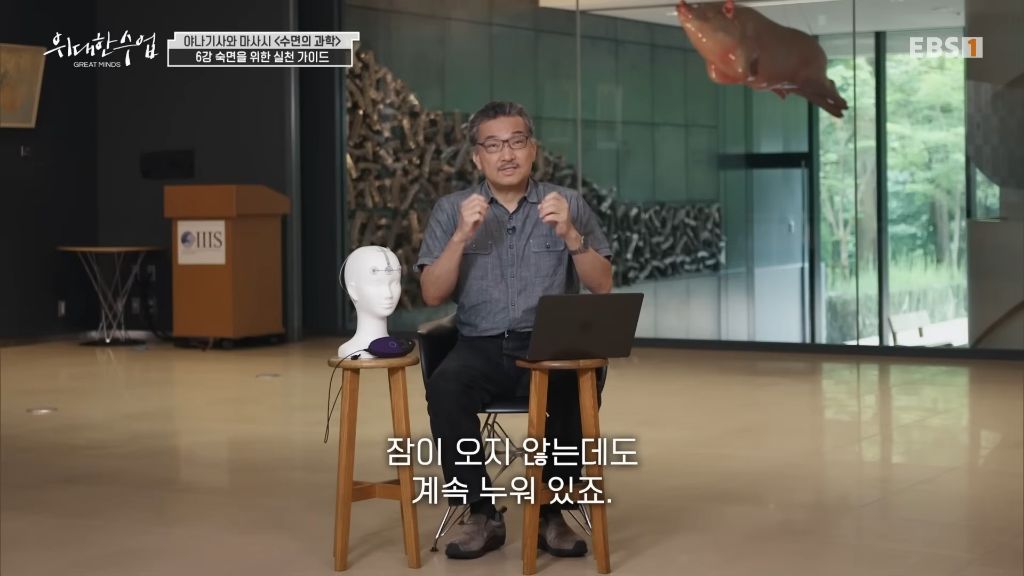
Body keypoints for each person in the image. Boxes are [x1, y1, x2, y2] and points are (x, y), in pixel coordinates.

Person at [416, 101, 613, 560]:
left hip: (549, 344)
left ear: (533, 149)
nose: (506, 154)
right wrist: (460, 237)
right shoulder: (451, 210)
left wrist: (571, 236)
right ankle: (482, 512)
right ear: (476, 157)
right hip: (478, 345)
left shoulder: (567, 203)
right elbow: (431, 293)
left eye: (516, 142)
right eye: (493, 145)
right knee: (445, 388)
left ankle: (551, 512)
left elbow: (602, 284)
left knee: (571, 383)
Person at [337, 246, 402, 358]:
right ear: (353, 291)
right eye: (377, 284)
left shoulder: (398, 347)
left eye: (395, 283)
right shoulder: (350, 351)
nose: (389, 294)